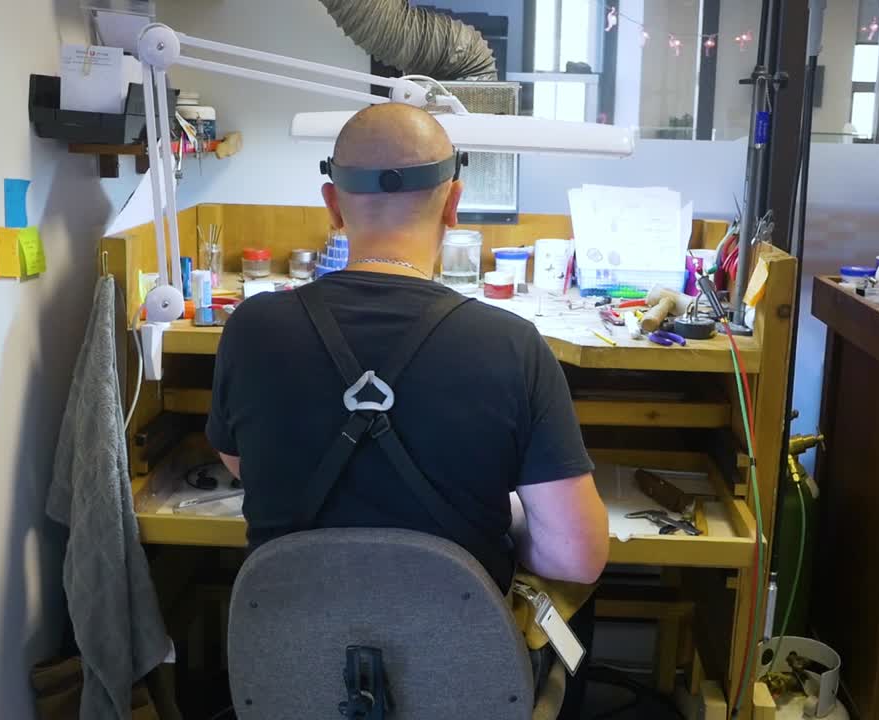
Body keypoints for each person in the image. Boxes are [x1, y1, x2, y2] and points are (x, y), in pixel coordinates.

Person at [206, 103, 608, 594]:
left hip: (283, 656)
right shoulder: (511, 344)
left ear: (332, 204)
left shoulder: (252, 329)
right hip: (457, 661)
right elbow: (576, 557)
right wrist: (509, 523)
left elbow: (239, 462)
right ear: (453, 202)